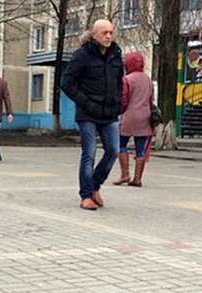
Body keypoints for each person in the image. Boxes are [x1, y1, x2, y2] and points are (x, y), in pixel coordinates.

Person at [62, 20, 124, 210]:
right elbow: (67, 83)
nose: (108, 36)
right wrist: (86, 102)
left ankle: (95, 185)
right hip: (87, 113)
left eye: (111, 32)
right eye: (104, 33)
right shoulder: (82, 55)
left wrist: (118, 101)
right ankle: (86, 195)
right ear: (94, 35)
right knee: (89, 154)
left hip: (109, 112)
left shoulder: (115, 54)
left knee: (113, 150)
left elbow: (119, 81)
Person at [114, 51, 154, 187]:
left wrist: (119, 112)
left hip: (129, 115)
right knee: (140, 148)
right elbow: (150, 100)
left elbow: (124, 100)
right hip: (145, 116)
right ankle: (137, 179)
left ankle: (125, 174)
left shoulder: (127, 79)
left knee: (121, 144)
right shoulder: (148, 79)